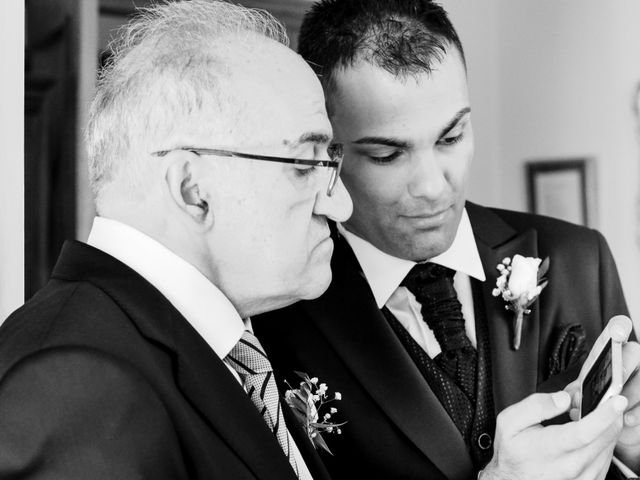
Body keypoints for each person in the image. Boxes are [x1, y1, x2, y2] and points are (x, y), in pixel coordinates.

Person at [252, 1, 640, 479]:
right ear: (328, 153)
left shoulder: (579, 257)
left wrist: (634, 448)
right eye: (388, 155)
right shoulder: (273, 318)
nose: (433, 186)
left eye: (451, 137)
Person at [0, 1, 352, 478]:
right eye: (305, 164)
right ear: (194, 189)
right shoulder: (78, 390)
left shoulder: (226, 341)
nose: (341, 204)